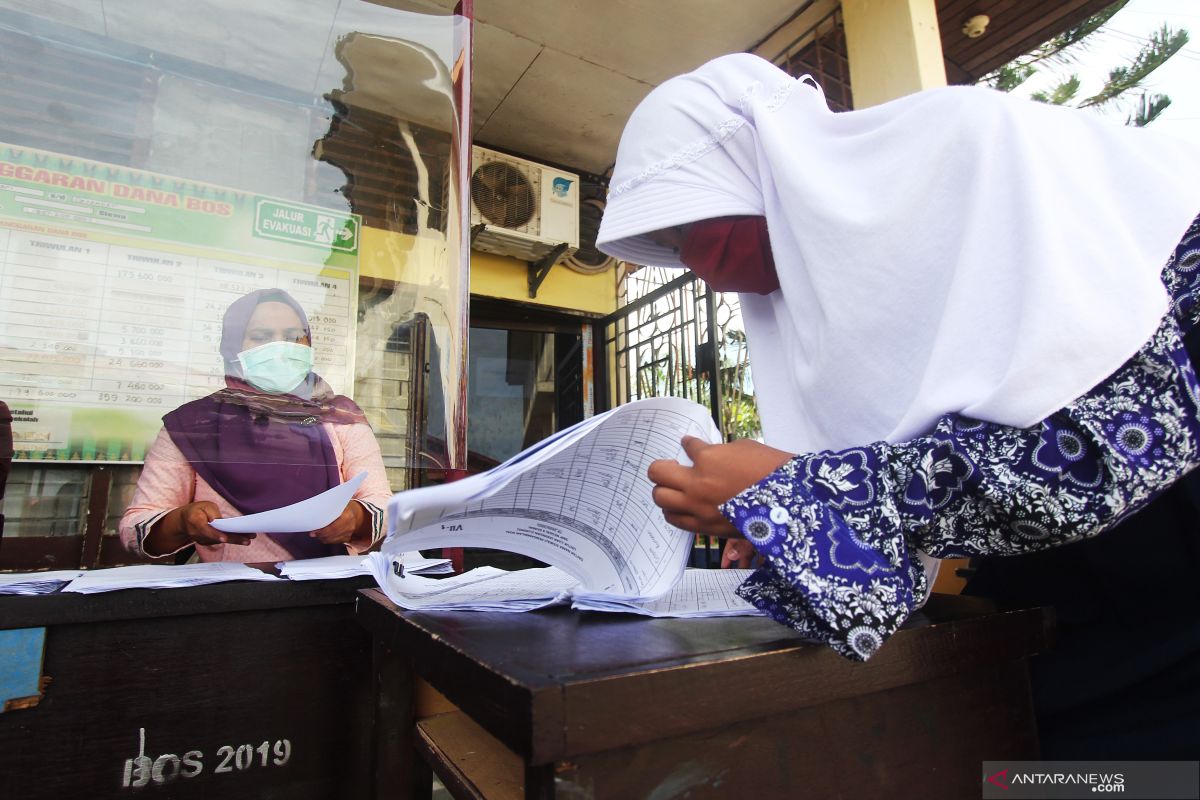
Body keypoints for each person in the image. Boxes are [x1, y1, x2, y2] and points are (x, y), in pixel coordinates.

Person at [595, 52, 1200, 673]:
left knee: (1079, 773)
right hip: (1064, 605)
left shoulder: (966, 142)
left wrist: (796, 494)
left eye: (687, 227)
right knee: (1012, 763)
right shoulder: (847, 308)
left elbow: (1113, 442)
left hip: (1172, 559)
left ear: (761, 162)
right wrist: (785, 519)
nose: (700, 267)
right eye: (672, 248)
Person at [120, 288, 391, 563]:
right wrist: (181, 522)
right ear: (233, 348)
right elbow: (136, 527)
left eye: (294, 336)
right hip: (233, 597)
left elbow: (383, 504)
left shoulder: (340, 416)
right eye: (261, 337)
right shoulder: (193, 425)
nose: (281, 347)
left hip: (328, 591)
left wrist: (357, 517)